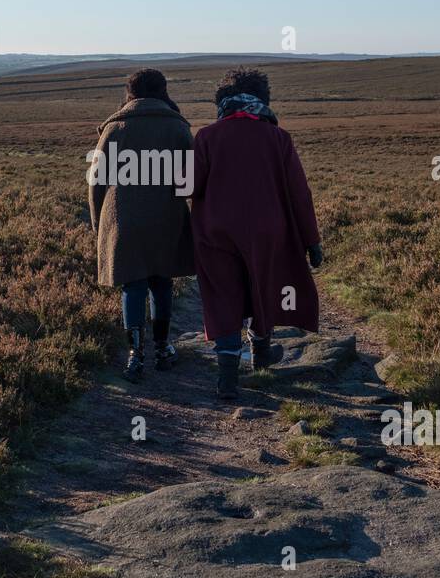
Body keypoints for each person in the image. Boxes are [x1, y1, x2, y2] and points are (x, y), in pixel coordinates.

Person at [191, 66, 323, 401]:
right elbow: (299, 193)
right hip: (268, 232)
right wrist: (311, 240)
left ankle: (227, 378)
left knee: (224, 296)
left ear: (222, 101)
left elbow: (187, 186)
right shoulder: (278, 138)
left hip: (216, 233)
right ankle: (261, 351)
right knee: (263, 289)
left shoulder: (207, 137)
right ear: (262, 99)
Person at [89, 68, 196, 381]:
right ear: (163, 91)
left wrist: (99, 226)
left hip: (123, 219)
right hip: (165, 217)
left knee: (132, 285)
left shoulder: (115, 127)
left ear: (130, 92)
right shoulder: (177, 126)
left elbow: (97, 182)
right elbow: (188, 183)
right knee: (161, 282)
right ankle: (163, 348)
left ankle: (135, 356)